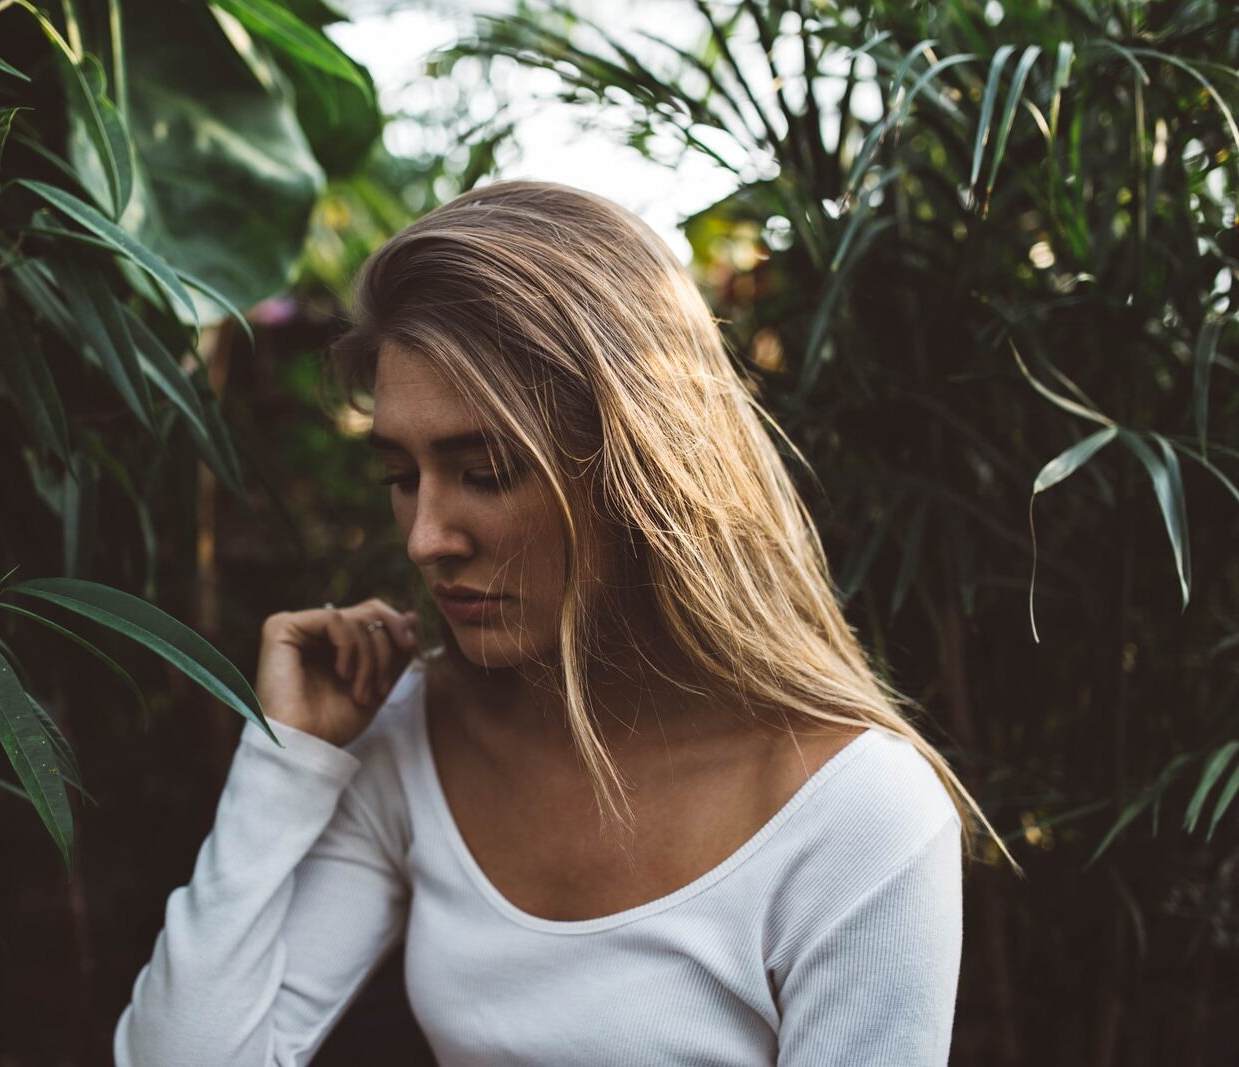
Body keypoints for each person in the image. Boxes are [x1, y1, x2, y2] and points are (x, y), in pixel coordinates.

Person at [113, 180, 1019, 1066]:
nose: (427, 537)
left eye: (489, 468)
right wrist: (287, 764)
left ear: (637, 471)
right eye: (400, 476)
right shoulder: (418, 734)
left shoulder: (857, 816)